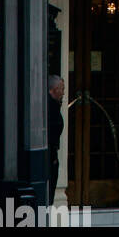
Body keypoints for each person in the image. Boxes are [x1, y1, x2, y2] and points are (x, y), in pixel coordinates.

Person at [47, 75, 64, 205]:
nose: (63, 93)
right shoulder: (50, 107)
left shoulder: (53, 106)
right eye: (61, 89)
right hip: (50, 153)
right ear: (53, 90)